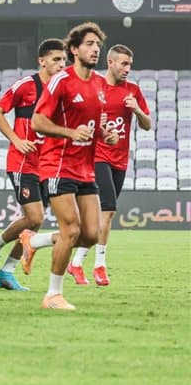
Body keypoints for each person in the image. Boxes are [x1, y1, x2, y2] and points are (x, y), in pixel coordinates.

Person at [25, 22, 118, 311]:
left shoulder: (100, 84)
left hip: (85, 169)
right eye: (89, 44)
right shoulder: (61, 81)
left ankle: (34, 241)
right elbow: (37, 121)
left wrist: (105, 134)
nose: (95, 49)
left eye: (98, 45)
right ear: (74, 50)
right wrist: (70, 133)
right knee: (71, 229)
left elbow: (93, 125)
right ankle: (53, 295)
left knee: (90, 234)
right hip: (57, 165)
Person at [0, 39, 67, 291]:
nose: (61, 65)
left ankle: (7, 272)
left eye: (64, 60)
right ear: (42, 61)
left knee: (35, 224)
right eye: (56, 59)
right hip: (22, 163)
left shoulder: (62, 91)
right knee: (34, 216)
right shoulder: (26, 86)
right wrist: (16, 140)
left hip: (47, 165)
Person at [73, 44, 150, 286]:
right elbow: (77, 119)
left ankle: (76, 263)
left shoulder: (133, 90)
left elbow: (147, 125)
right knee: (108, 210)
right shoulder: (94, 86)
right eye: (124, 64)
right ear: (110, 63)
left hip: (120, 159)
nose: (128, 69)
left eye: (130, 64)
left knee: (100, 216)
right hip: (97, 156)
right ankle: (100, 266)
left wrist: (137, 110)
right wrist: (97, 120)